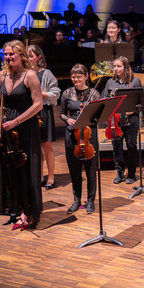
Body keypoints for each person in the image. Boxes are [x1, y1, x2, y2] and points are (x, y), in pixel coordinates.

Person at [0, 40, 43, 230]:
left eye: (11, 54)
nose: (7, 57)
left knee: (27, 170)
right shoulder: (1, 75)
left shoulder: (30, 75)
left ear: (21, 55)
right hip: (7, 128)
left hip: (26, 127)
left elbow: (37, 104)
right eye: (5, 54)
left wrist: (17, 121)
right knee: (12, 170)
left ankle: (29, 211)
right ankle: (15, 208)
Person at [60, 64, 101, 214]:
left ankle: (91, 200)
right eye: (73, 77)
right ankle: (76, 199)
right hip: (73, 133)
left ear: (86, 77)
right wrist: (68, 120)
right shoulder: (67, 93)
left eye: (79, 76)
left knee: (91, 170)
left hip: (89, 133)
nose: (76, 79)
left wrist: (90, 115)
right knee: (74, 169)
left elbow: (99, 116)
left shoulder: (94, 94)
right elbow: (62, 113)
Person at [102, 56, 142, 184]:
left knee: (131, 146)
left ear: (126, 67)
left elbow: (140, 101)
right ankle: (119, 172)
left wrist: (134, 109)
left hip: (131, 120)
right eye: (114, 66)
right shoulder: (110, 83)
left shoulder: (135, 81)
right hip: (115, 121)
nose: (116, 69)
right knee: (117, 146)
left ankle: (131, 174)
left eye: (119, 66)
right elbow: (105, 99)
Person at [27, 45, 61, 189]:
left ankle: (51, 177)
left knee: (46, 145)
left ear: (39, 57)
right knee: (35, 146)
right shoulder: (26, 73)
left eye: (31, 56)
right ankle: (40, 176)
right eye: (27, 56)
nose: (28, 59)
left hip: (43, 112)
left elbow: (56, 92)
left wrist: (41, 93)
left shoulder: (46, 73)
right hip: (30, 112)